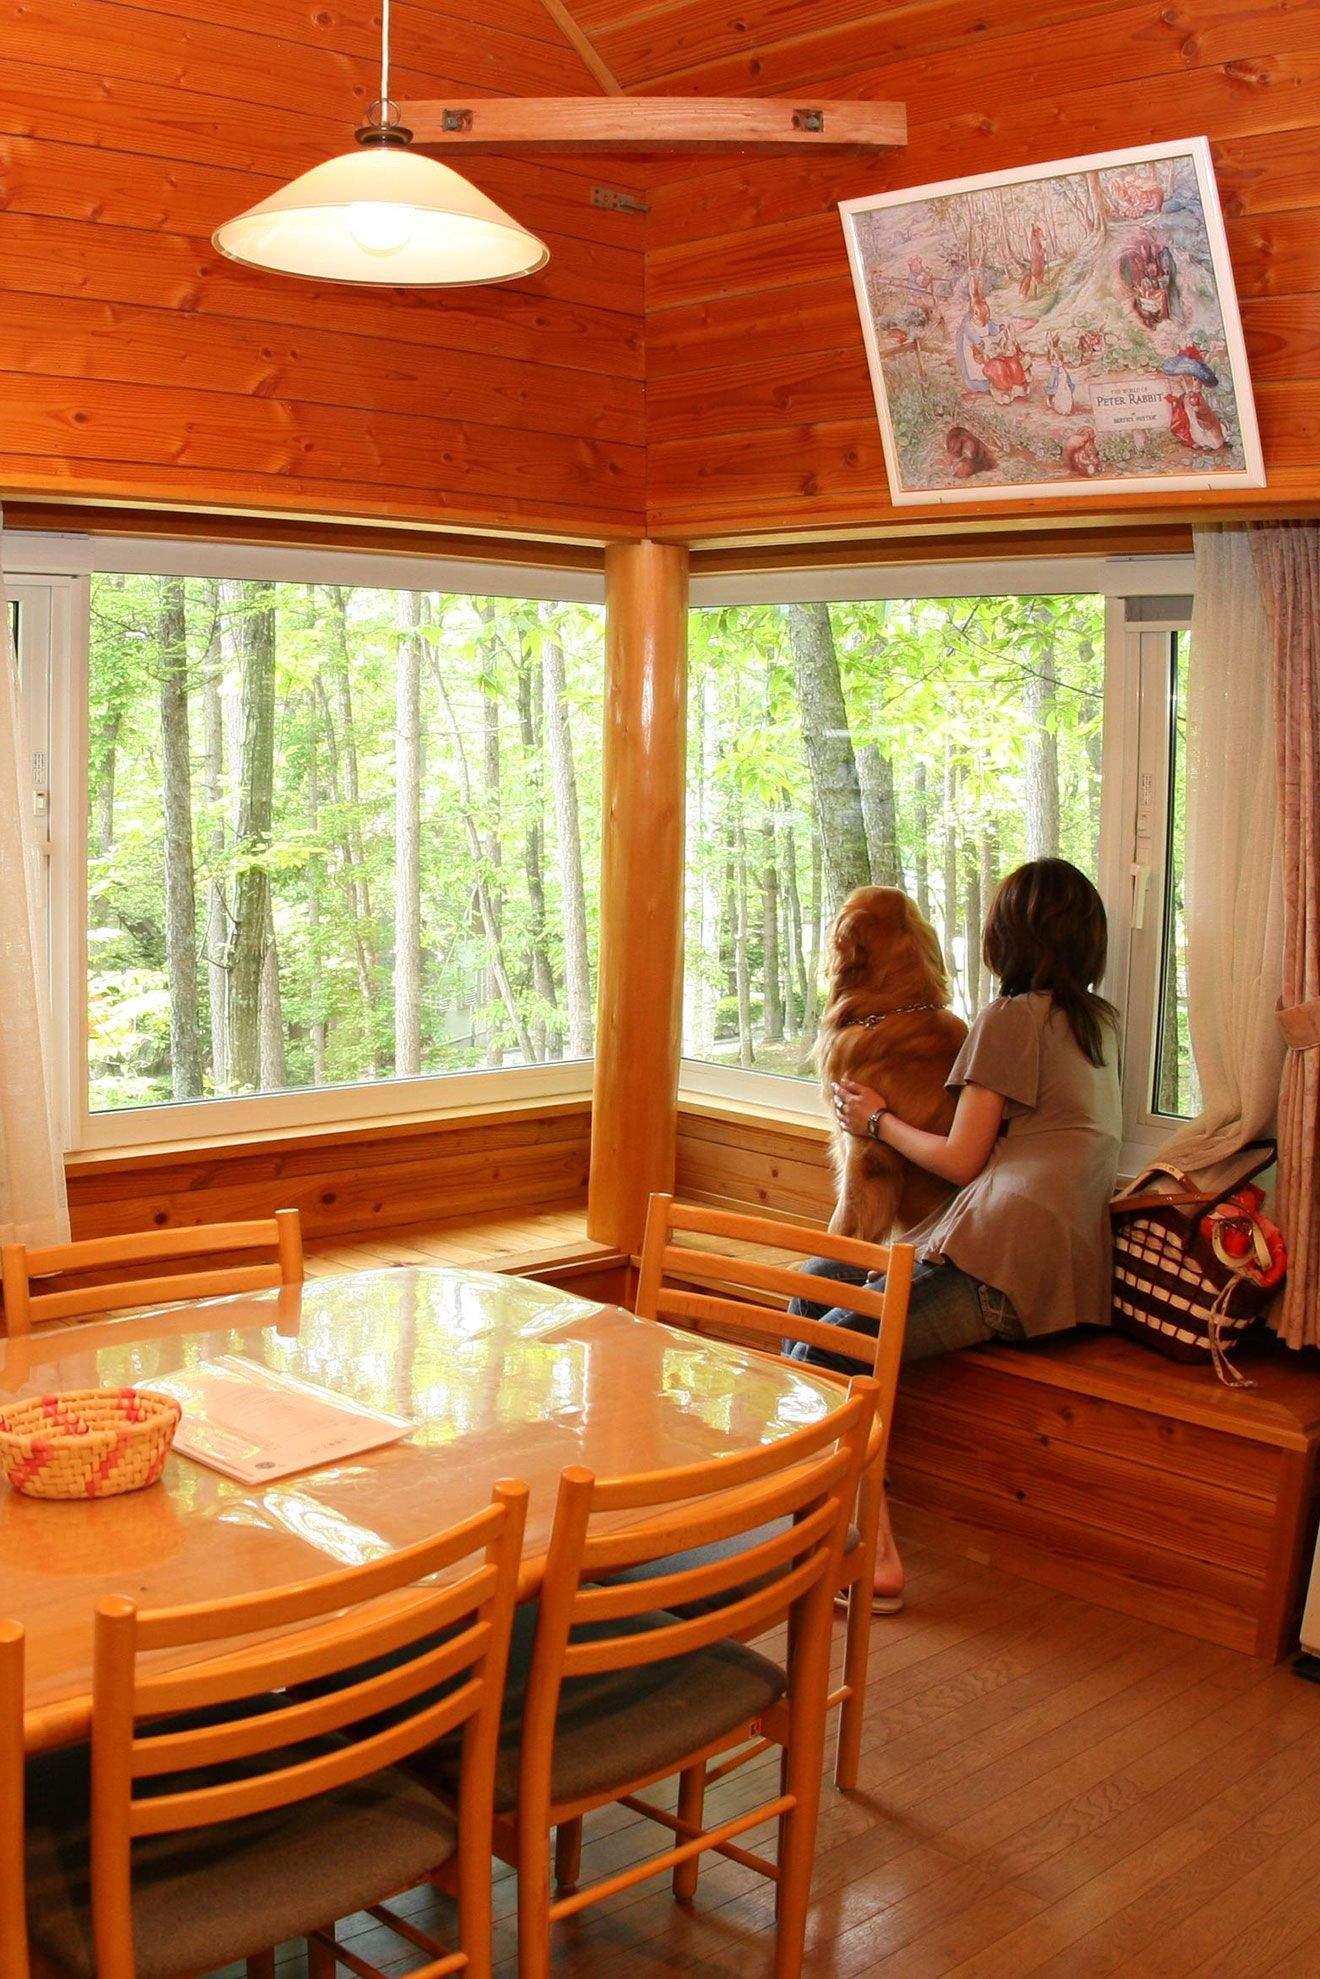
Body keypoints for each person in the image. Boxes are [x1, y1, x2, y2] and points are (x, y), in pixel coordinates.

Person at [790, 858, 1123, 1610]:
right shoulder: (1097, 1023)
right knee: (814, 1288)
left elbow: (959, 1159)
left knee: (833, 1345)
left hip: (994, 1262)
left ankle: (868, 1552)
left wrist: (875, 1119)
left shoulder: (1011, 1019)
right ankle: (810, 1508)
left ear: (1009, 937)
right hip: (1062, 1275)